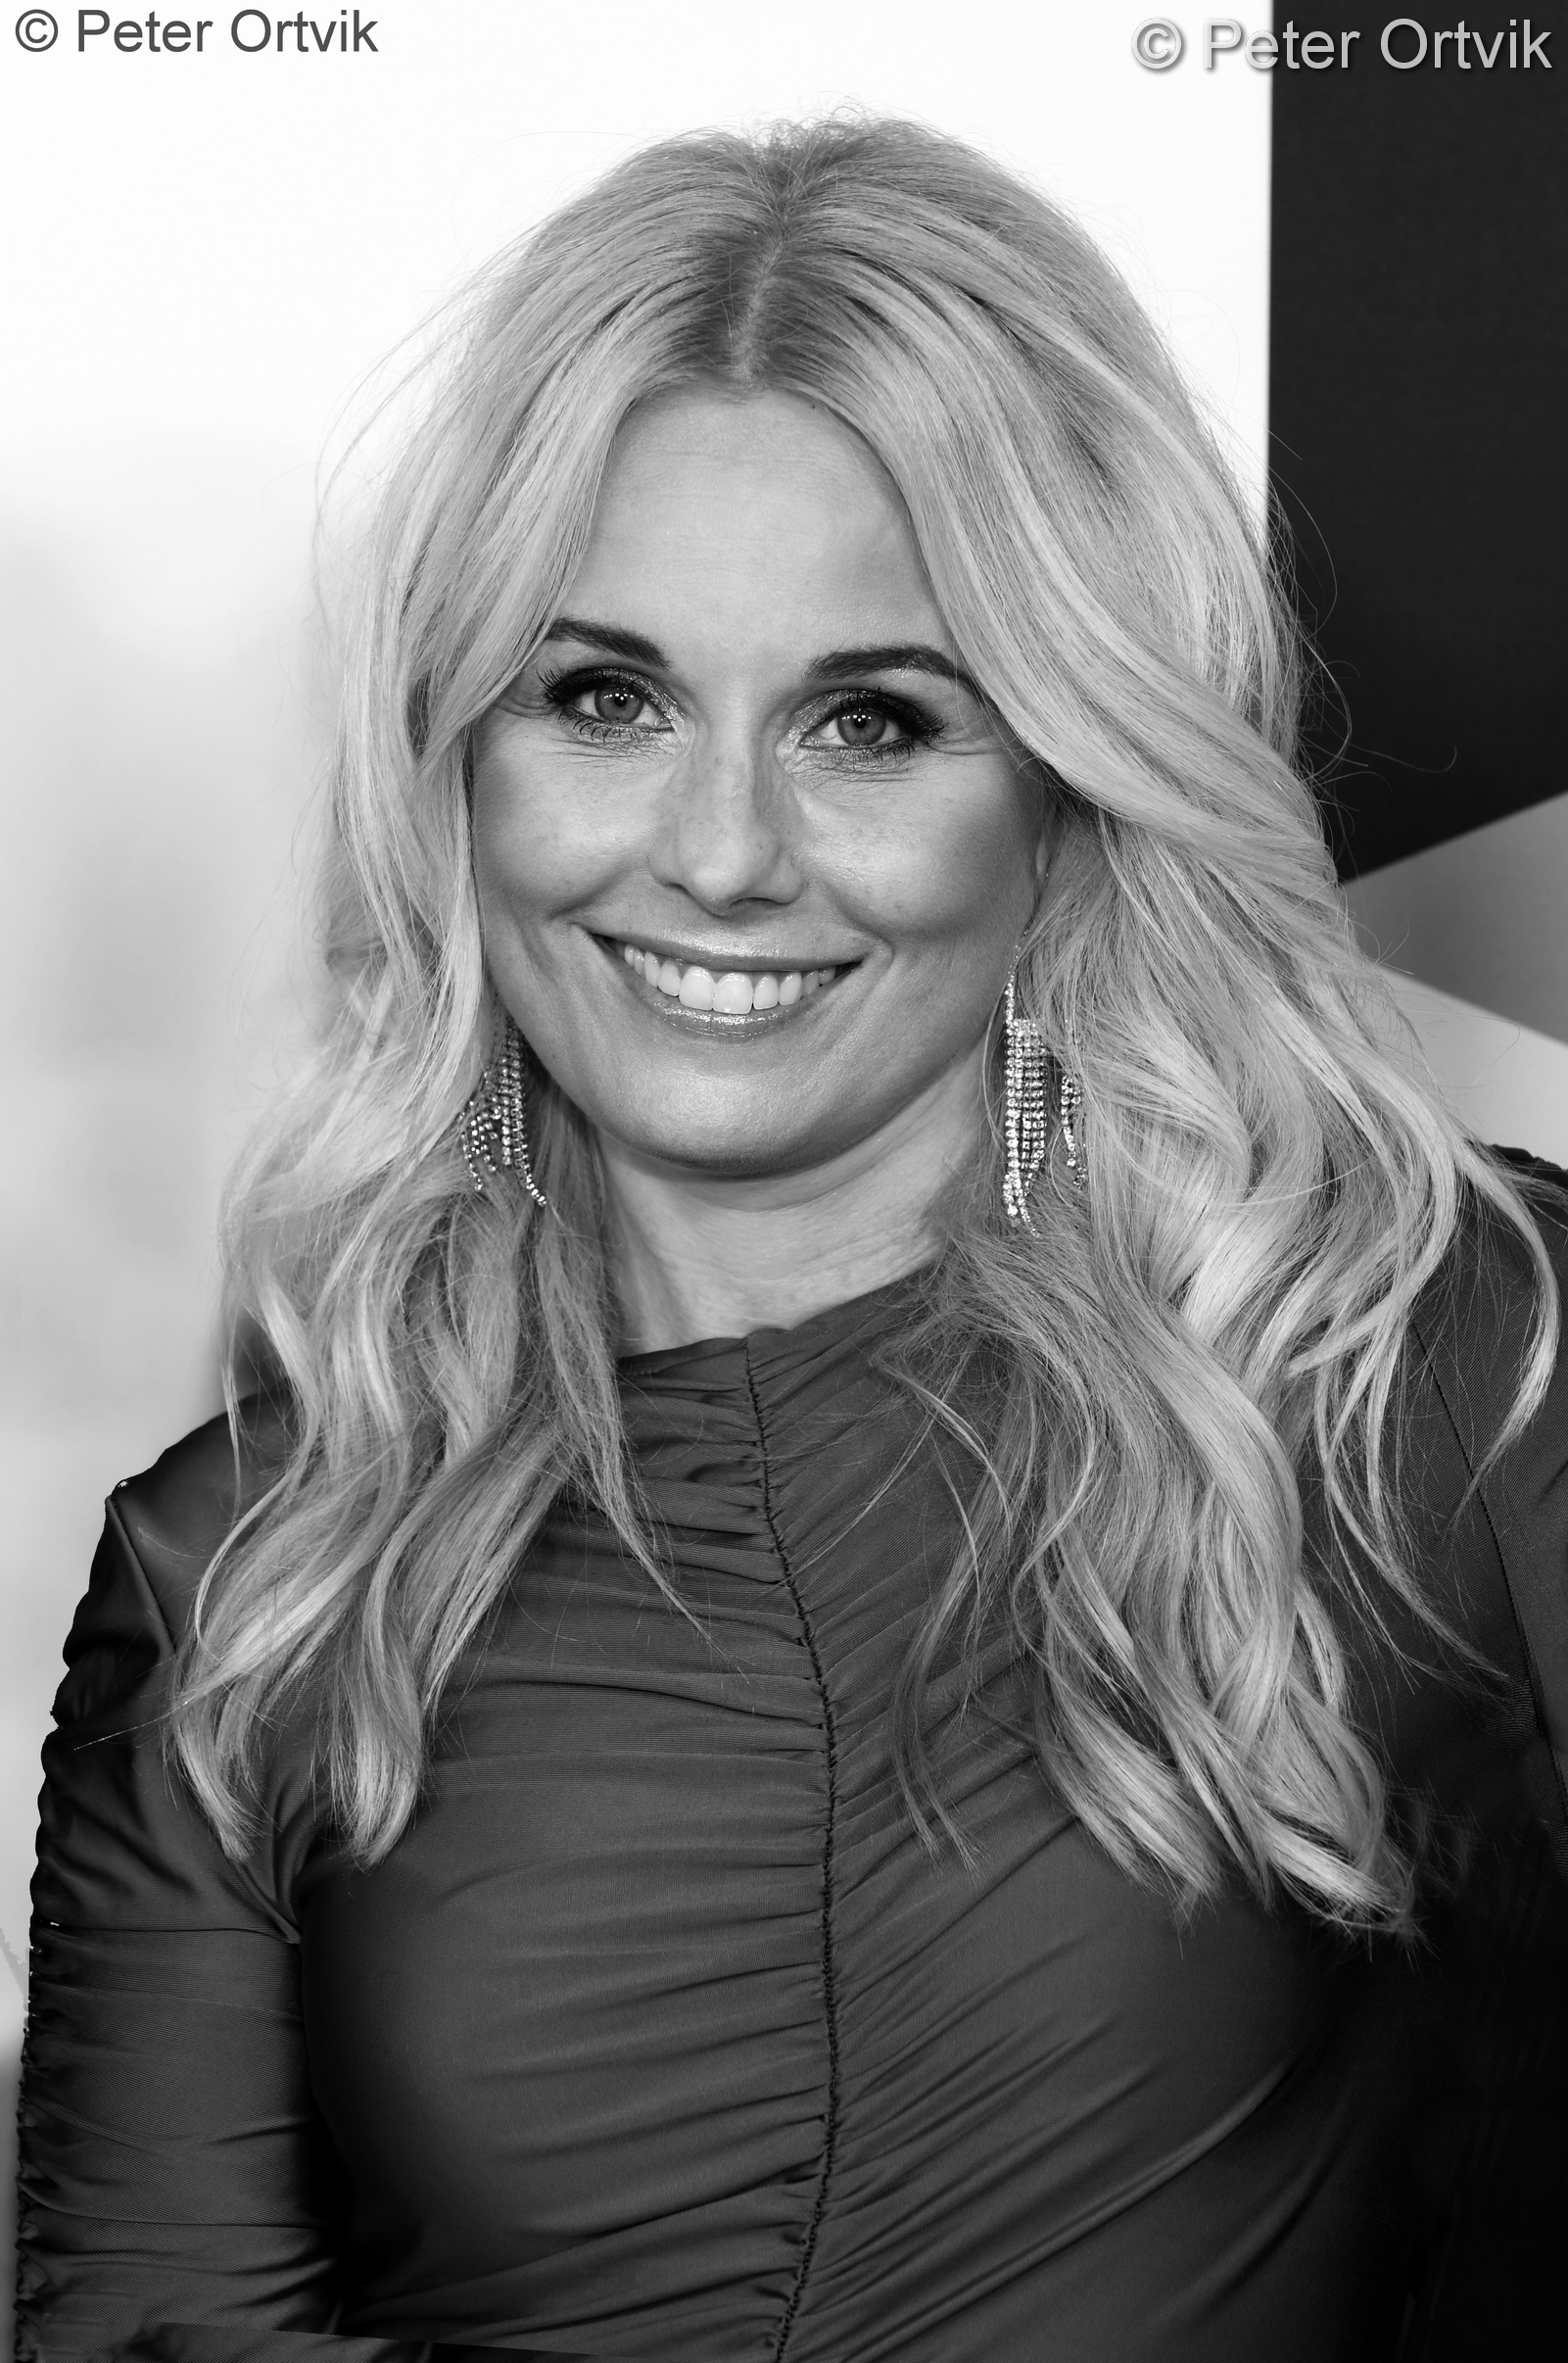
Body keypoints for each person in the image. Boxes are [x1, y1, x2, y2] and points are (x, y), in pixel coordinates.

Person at [16, 117, 1568, 2363]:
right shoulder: (250, 1569)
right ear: (456, 762)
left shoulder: (1446, 1357)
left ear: (1066, 787)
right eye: (605, 698)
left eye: (870, 721)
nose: (725, 851)